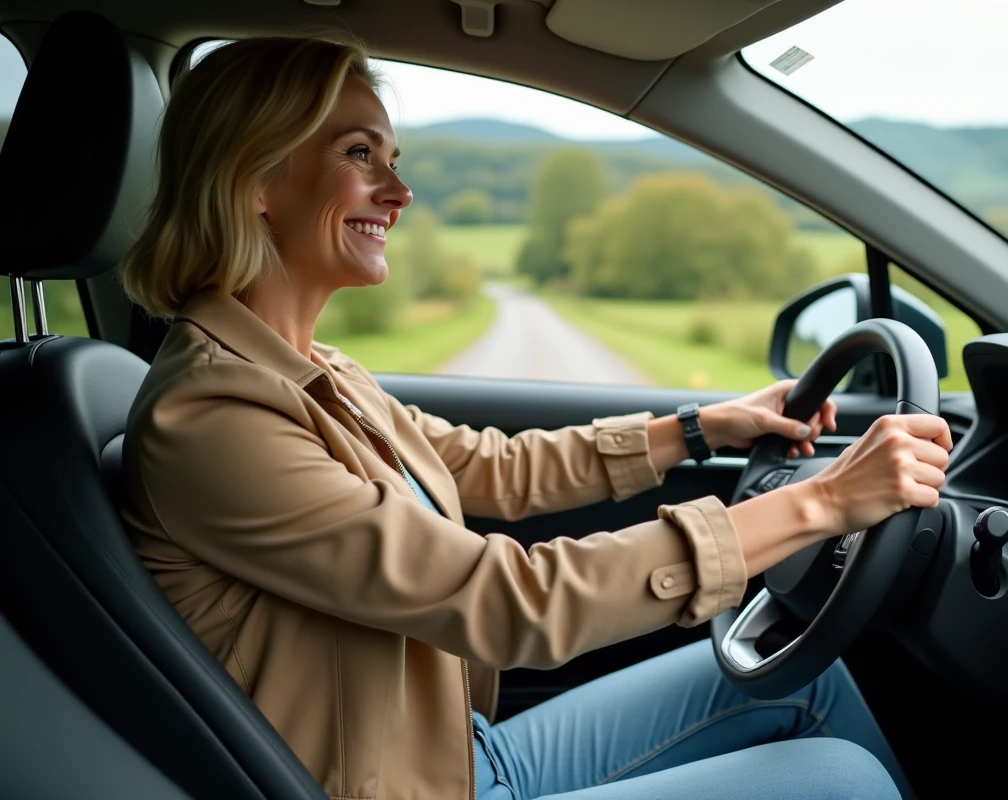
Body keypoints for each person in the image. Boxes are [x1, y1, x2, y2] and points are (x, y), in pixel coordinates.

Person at [117, 36, 952, 800]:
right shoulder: (216, 418)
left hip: (462, 752)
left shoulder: (315, 371)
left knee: (806, 680)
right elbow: (508, 601)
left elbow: (488, 467)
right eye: (359, 154)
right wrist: (821, 503)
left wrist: (702, 428)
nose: (399, 193)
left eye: (393, 160)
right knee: (842, 781)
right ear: (256, 179)